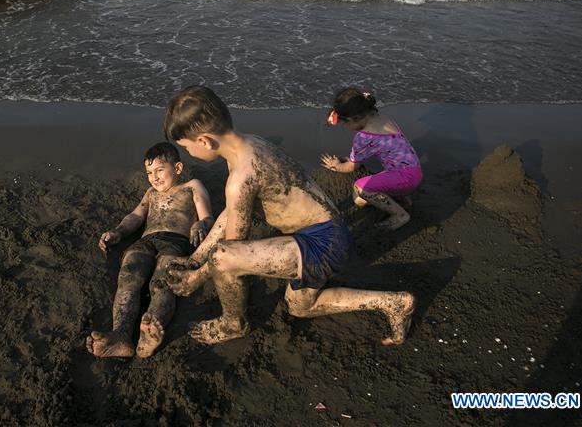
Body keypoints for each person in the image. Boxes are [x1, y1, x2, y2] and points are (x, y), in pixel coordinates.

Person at [163, 85, 414, 346]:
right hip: (331, 232)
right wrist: (195, 258)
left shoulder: (241, 177)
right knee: (300, 307)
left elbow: (231, 250)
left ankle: (232, 324)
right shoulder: (251, 144)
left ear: (204, 141)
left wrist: (198, 275)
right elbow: (231, 210)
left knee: (222, 258)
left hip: (322, 245)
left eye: (187, 147)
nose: (189, 153)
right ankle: (393, 302)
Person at [86, 142, 213, 358]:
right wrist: (118, 232)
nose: (154, 177)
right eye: (149, 172)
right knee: (128, 276)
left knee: (162, 281)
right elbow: (136, 216)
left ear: (178, 168)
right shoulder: (150, 193)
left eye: (159, 170)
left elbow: (207, 216)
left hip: (175, 241)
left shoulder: (191, 186)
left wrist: (200, 224)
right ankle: (121, 335)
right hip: (146, 241)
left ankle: (151, 329)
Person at [321, 88, 422, 230]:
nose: (346, 126)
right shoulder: (384, 118)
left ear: (353, 119)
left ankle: (400, 215)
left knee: (360, 191)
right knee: (363, 194)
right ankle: (402, 198)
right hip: (413, 170)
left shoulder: (364, 137)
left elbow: (351, 167)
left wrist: (336, 165)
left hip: (405, 178)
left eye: (345, 123)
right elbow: (380, 147)